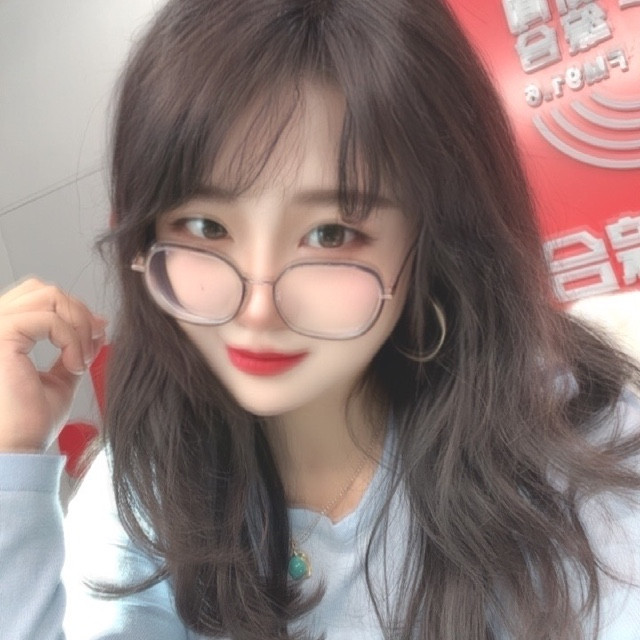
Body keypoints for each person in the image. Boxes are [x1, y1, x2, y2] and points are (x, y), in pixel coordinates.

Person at [1, 0, 639, 638]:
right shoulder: (148, 479)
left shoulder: (567, 440)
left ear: (433, 238)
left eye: (331, 234)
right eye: (205, 227)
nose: (257, 308)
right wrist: (10, 462)